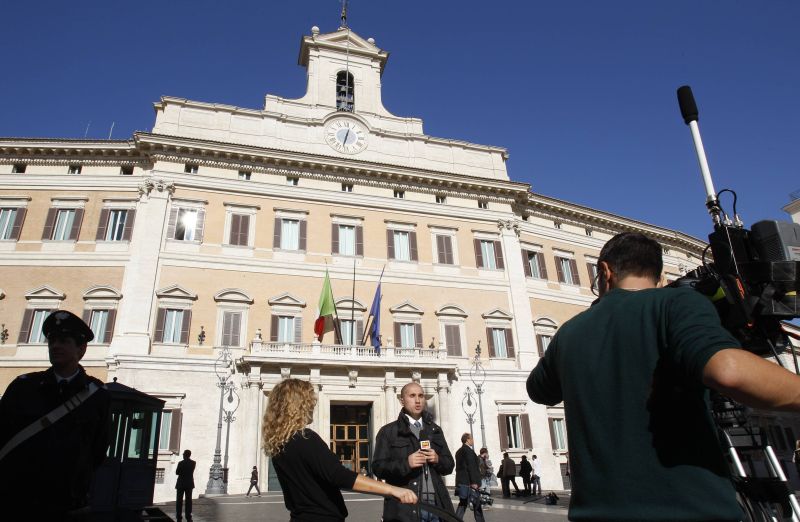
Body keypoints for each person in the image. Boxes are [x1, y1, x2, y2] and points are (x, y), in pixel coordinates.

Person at [527, 231, 800, 521]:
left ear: (604, 272)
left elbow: (538, 389)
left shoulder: (569, 331)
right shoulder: (676, 303)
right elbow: (728, 370)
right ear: (658, 278)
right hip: (689, 509)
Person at [0, 310, 110, 520]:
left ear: (81, 349)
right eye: (52, 340)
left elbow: (97, 450)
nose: (55, 346)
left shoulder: (98, 396)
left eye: (64, 341)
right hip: (18, 501)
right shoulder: (22, 387)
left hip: (68, 504)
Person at [263, 378, 416, 522]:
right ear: (298, 405)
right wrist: (393, 490)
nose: (313, 405)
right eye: (309, 401)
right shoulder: (306, 439)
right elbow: (340, 476)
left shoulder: (279, 444)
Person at [372, 381, 456, 522]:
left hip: (436, 506)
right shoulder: (388, 431)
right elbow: (378, 468)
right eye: (412, 396)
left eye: (421, 396)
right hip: (405, 507)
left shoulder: (435, 430)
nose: (417, 400)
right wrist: (407, 463)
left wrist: (437, 459)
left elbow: (449, 465)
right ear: (402, 400)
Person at [454, 433, 485, 522]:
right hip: (469, 483)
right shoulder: (468, 451)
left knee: (463, 504)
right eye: (472, 438)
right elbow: (472, 467)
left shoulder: (458, 451)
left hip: (461, 482)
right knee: (477, 505)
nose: (473, 440)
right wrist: (474, 482)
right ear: (467, 439)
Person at [175, 449, 196, 521]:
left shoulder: (180, 463)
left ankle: (178, 515)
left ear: (185, 455)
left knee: (179, 500)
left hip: (181, 483)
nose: (183, 455)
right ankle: (188, 515)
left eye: (183, 454)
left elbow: (177, 472)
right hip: (189, 483)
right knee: (188, 500)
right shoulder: (193, 463)